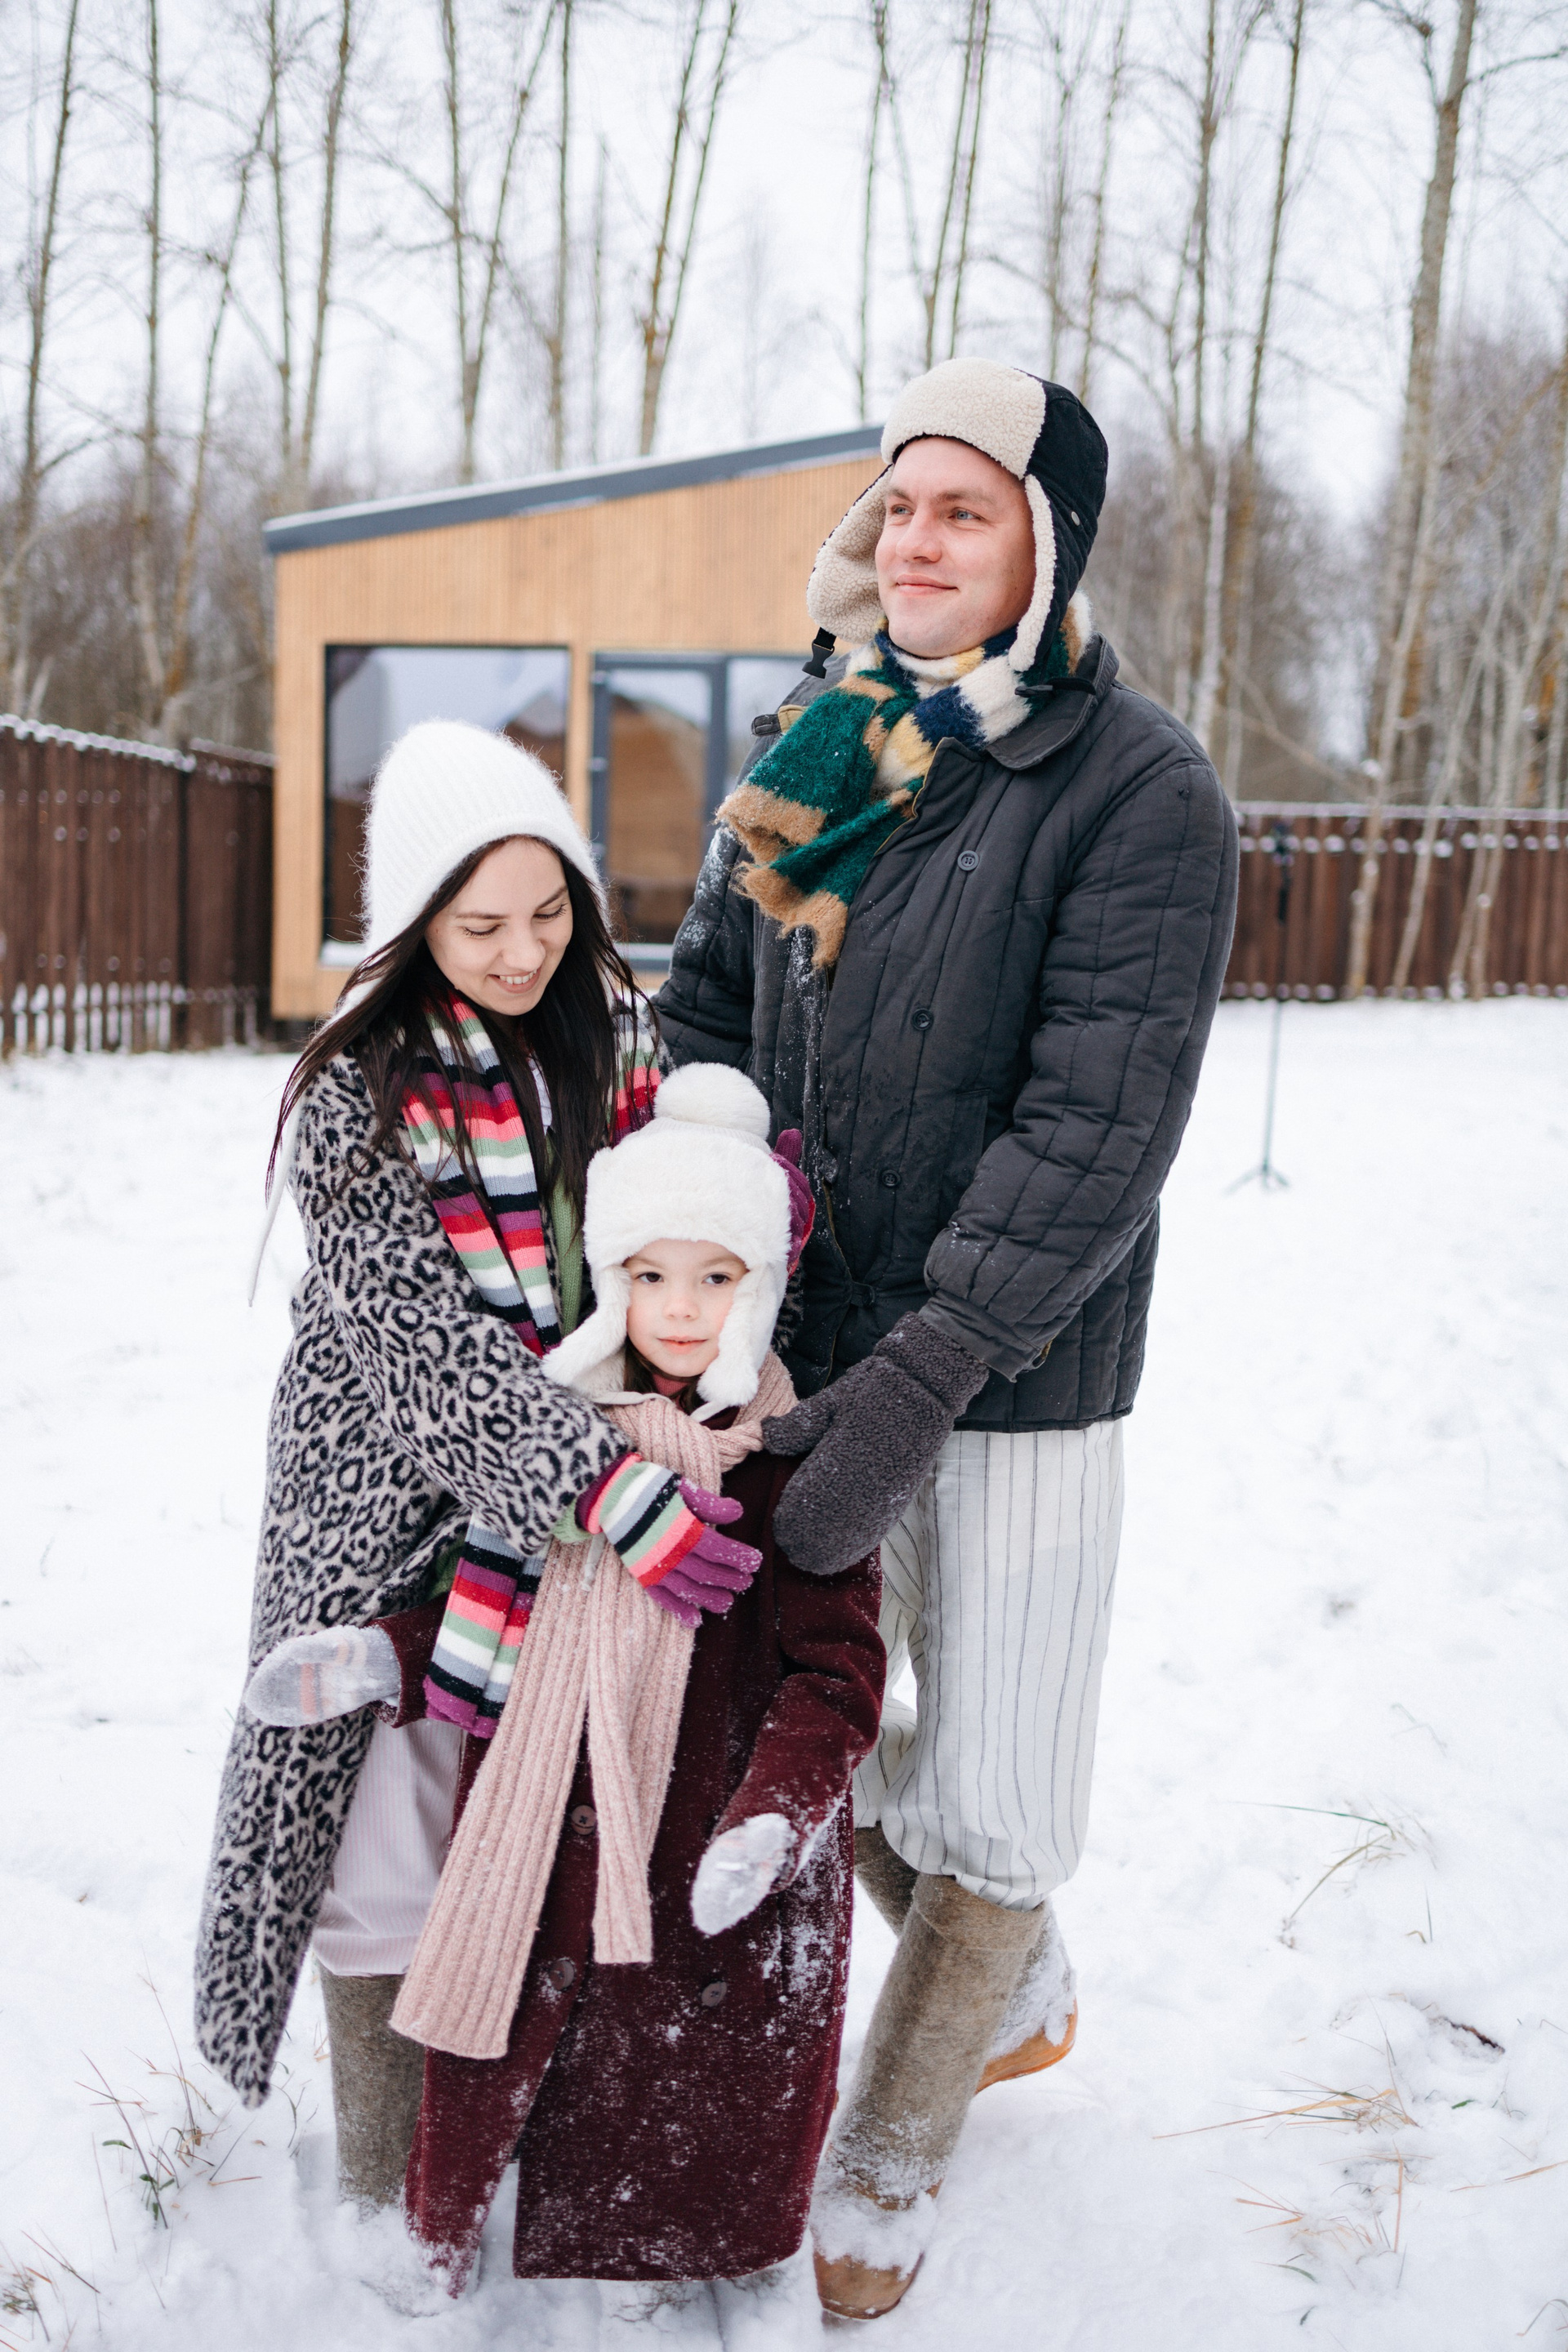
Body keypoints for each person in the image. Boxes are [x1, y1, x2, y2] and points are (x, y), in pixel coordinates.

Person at [657, 354, 1241, 2319]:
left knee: (996, 1771)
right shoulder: (818, 738)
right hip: (795, 1346)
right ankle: (1022, 1976)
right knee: (795, 1701)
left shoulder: (1137, 788)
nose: (913, 541)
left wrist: (925, 1373)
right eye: (898, 503)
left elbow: (1098, 1130)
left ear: (1045, 545)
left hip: (1017, 1373)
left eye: (962, 509)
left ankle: (897, 2140)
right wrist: (698, 1256)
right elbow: (707, 1013)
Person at [194, 721, 761, 2210]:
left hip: (571, 1517)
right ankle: (389, 2199)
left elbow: (673, 1242)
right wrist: (613, 1495)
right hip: (386, 1509)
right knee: (380, 1854)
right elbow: (427, 1357)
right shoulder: (354, 1095)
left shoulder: (620, 1042)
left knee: (538, 1838)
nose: (521, 953)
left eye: (549, 912)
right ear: (414, 924)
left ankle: (508, 2154)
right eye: (479, 925)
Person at [248, 1064, 883, 2336]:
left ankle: (725, 2263)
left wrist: (773, 1818)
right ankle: (486, 2242)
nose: (682, 1309)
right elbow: (496, 1614)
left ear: (763, 1288)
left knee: (715, 2105)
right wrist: (382, 1660)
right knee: (535, 2059)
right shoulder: (567, 1450)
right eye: (651, 1275)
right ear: (612, 1284)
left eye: (717, 1277)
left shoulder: (794, 1473)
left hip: (720, 1868)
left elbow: (838, 1677)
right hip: (548, 1845)